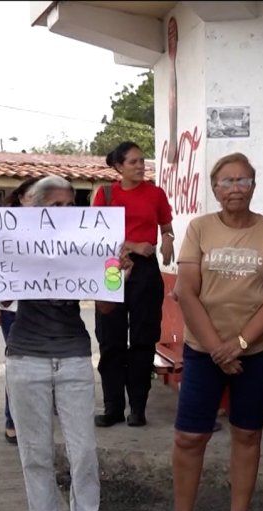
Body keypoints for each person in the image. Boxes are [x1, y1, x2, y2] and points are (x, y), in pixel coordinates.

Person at [162, 153, 263, 511]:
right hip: (204, 350)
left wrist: (238, 345)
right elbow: (186, 290)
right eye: (226, 181)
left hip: (254, 350)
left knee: (248, 432)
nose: (235, 187)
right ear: (215, 189)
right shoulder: (199, 229)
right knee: (189, 436)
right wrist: (219, 350)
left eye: (243, 180)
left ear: (254, 185)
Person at [0, 175, 118, 511]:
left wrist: (114, 268)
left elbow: (107, 306)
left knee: (84, 452)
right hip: (25, 356)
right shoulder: (14, 244)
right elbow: (5, 297)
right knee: (34, 452)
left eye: (69, 205)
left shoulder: (87, 244)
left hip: (74, 354)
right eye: (55, 206)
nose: (64, 213)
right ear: (38, 210)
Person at [92, 141, 174, 428]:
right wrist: (133, 245)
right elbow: (95, 234)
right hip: (112, 267)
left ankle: (137, 407)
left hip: (146, 272)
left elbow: (166, 224)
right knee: (110, 339)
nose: (140, 166)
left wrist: (167, 240)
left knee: (143, 339)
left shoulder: (155, 193)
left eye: (142, 161)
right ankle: (113, 406)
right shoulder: (105, 194)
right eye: (134, 162)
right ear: (119, 166)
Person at [0, 177, 41, 443]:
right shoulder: (2, 227)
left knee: (43, 365)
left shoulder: (56, 227)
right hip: (12, 309)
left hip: (45, 308)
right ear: (20, 198)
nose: (36, 200)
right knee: (18, 365)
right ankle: (12, 420)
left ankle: (38, 415)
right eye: (31, 195)